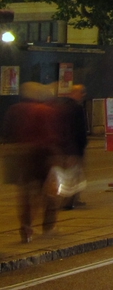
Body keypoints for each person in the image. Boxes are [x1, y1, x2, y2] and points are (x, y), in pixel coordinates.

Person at [2, 82, 61, 243]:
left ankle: (26, 228)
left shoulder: (14, 110)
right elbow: (52, 136)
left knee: (26, 194)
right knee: (49, 192)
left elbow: (6, 133)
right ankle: (48, 227)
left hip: (22, 155)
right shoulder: (45, 111)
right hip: (42, 155)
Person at [55, 85, 89, 209]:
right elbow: (80, 130)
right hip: (73, 147)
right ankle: (68, 202)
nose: (83, 95)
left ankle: (73, 199)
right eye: (81, 92)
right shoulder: (76, 108)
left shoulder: (61, 107)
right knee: (72, 176)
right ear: (74, 93)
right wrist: (82, 145)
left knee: (69, 175)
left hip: (63, 146)